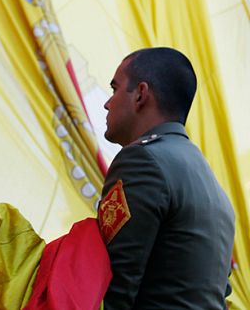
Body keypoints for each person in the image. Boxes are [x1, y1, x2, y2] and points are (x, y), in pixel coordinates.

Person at [99, 47, 235, 309]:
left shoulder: (142, 161)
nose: (107, 102)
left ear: (140, 94)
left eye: (115, 89)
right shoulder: (211, 184)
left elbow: (112, 285)